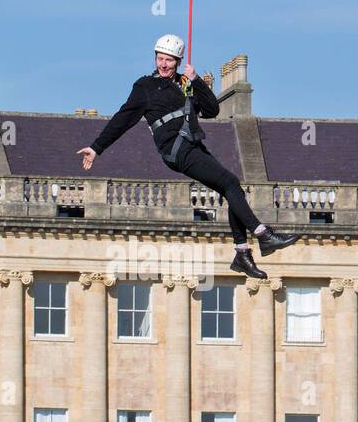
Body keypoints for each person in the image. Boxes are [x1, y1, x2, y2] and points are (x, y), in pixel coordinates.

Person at [76, 34, 298, 278]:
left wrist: (197, 82)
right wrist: (97, 147)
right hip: (176, 150)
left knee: (232, 189)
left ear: (178, 61)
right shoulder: (145, 87)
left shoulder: (185, 83)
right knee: (230, 183)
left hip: (192, 146)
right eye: (160, 59)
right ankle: (262, 234)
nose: (163, 64)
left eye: (169, 60)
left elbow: (212, 110)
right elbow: (123, 118)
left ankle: (242, 253)